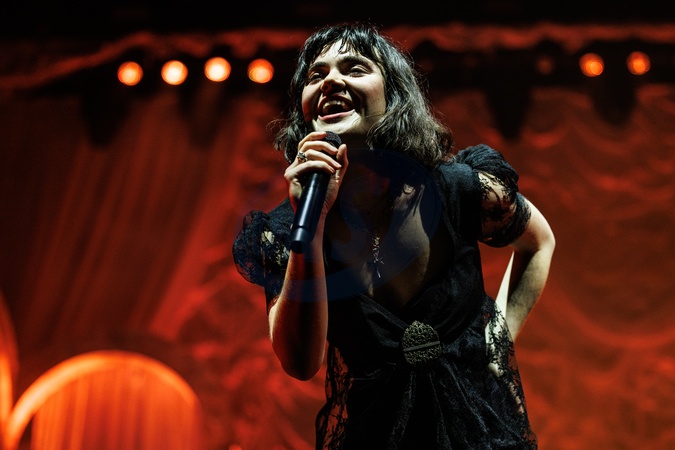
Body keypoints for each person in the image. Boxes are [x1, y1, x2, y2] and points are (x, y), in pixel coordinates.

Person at [233, 22, 555, 449]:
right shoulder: (290, 228)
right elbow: (300, 361)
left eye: (354, 68)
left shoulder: (455, 189)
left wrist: (497, 339)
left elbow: (538, 242)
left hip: (479, 429)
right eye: (316, 75)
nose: (330, 81)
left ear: (394, 96)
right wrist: (310, 228)